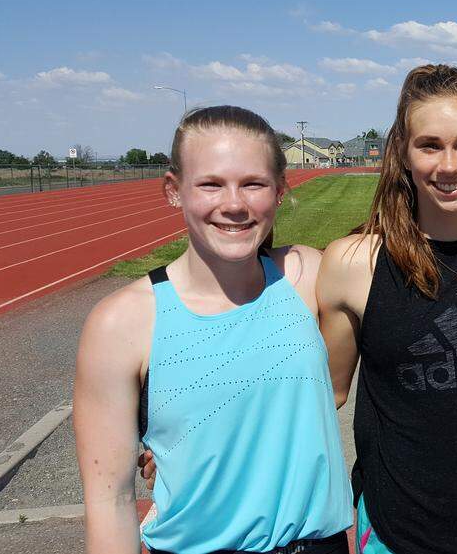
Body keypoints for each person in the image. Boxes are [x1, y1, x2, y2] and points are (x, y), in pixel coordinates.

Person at [75, 106, 353, 554]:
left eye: (253, 184)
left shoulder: (307, 277)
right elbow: (110, 501)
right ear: (174, 190)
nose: (234, 204)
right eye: (211, 184)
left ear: (280, 191)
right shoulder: (121, 323)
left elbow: (406, 263)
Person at [317, 64, 457, 554]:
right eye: (429, 145)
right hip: (400, 531)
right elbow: (325, 393)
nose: (449, 165)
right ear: (403, 150)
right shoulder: (353, 263)